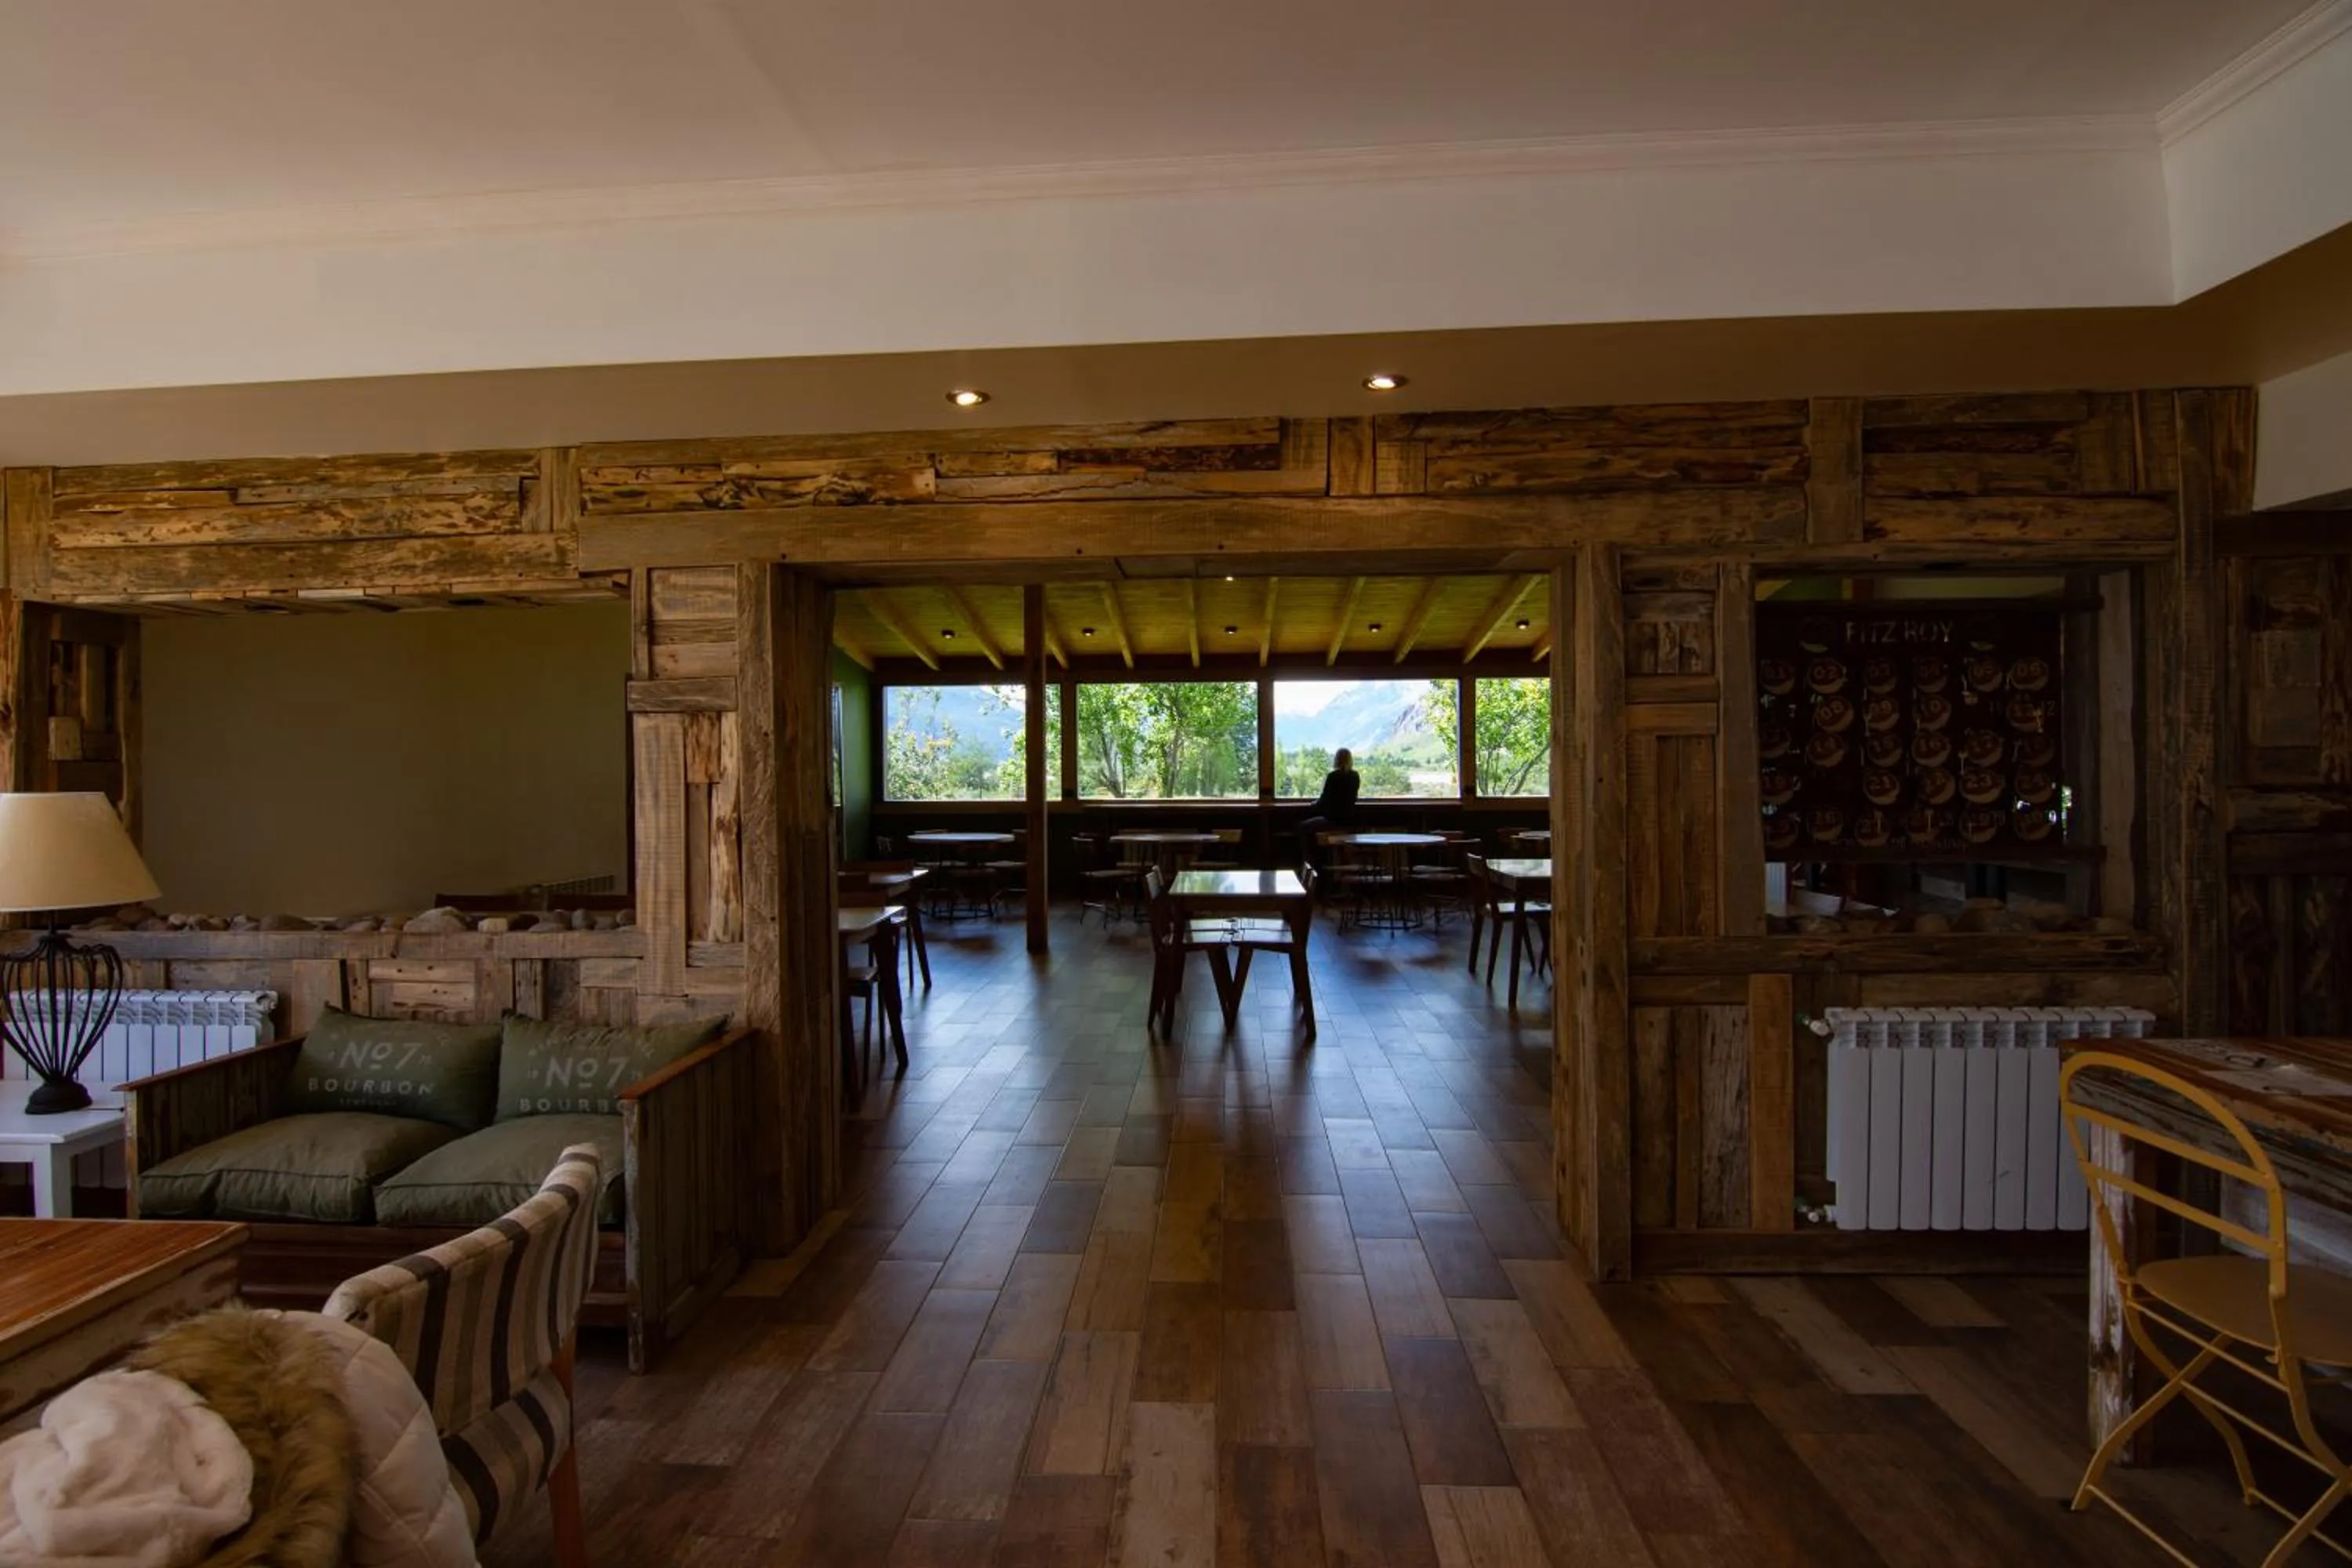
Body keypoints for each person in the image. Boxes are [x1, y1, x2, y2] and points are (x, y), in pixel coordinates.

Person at [1298, 746, 1361, 868]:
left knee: (1304, 827)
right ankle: (1323, 861)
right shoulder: (1355, 776)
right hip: (1348, 820)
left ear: (1336, 760)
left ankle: (1311, 863)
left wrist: (1314, 804)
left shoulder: (1333, 776)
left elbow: (1325, 799)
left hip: (1332, 820)